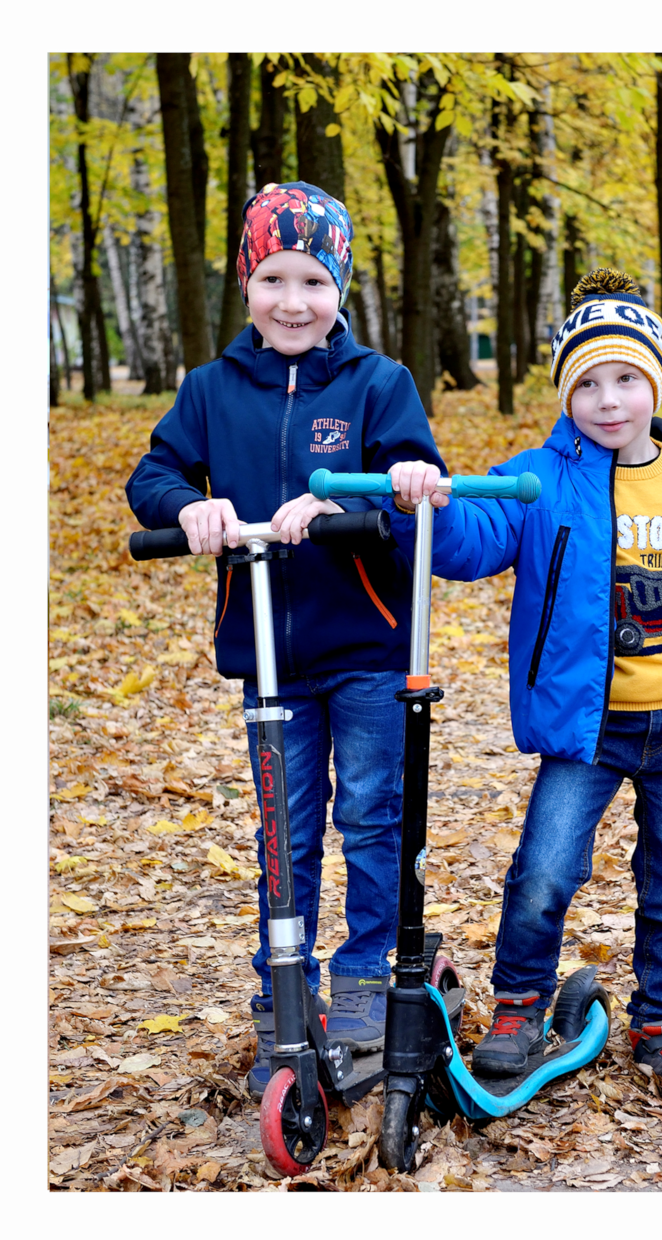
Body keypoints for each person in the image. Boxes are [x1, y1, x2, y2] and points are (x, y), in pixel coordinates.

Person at [385, 270, 662, 1104]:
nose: (609, 400)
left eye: (626, 379)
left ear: (655, 384)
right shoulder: (544, 477)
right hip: (587, 727)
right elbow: (470, 538)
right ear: (567, 395)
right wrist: (422, 499)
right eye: (588, 383)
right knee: (544, 870)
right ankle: (520, 1007)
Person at [125, 182, 442, 1091]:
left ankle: (362, 973)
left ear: (340, 285)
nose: (293, 301)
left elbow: (411, 480)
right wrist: (193, 506)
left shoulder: (380, 383)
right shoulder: (211, 390)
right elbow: (155, 474)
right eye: (273, 278)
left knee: (373, 812)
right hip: (267, 651)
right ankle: (285, 981)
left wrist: (342, 496)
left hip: (369, 649)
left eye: (312, 279)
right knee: (283, 825)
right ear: (247, 284)